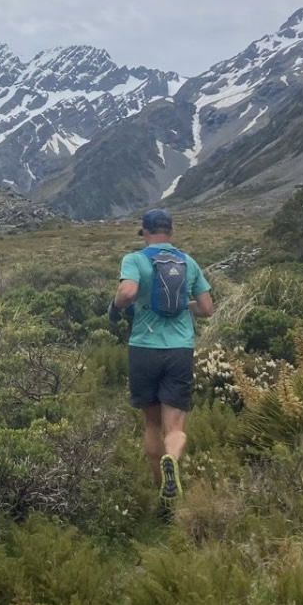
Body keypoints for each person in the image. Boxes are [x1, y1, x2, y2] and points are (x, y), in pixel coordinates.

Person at [109, 208, 214, 508]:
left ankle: (163, 498)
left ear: (144, 233)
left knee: (152, 425)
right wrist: (183, 306)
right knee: (176, 428)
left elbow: (127, 292)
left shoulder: (136, 259)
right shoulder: (188, 262)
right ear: (170, 232)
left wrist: (116, 307)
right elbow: (208, 308)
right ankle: (173, 458)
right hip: (179, 349)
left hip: (144, 349)